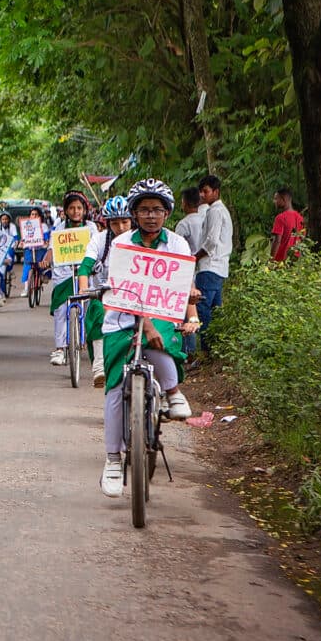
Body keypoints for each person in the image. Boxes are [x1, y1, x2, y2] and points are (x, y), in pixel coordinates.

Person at [99, 178, 200, 498]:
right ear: (134, 213)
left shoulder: (178, 245)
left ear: (167, 213)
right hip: (121, 319)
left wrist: (192, 312)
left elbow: (184, 282)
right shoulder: (122, 244)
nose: (151, 215)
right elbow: (122, 286)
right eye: (143, 209)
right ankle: (113, 459)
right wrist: (146, 324)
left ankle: (173, 393)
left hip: (161, 315)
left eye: (157, 209)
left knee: (161, 341)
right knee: (115, 387)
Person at [77, 195, 132, 387]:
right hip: (104, 294)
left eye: (125, 221)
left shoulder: (140, 240)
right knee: (99, 313)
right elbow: (84, 268)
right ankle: (100, 367)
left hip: (135, 295)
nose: (121, 227)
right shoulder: (99, 241)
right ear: (108, 224)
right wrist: (84, 289)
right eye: (115, 223)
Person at [42, 190, 98, 366]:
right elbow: (52, 249)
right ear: (66, 210)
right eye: (72, 208)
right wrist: (46, 260)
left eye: (79, 208)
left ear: (84, 210)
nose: (76, 211)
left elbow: (97, 248)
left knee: (90, 308)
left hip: (85, 271)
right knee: (60, 310)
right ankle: (60, 349)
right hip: (64, 273)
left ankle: (92, 346)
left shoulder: (91, 228)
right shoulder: (59, 228)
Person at [193, 174, 233, 355]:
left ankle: (207, 349)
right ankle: (217, 347)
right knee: (216, 310)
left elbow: (211, 241)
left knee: (203, 307)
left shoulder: (215, 211)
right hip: (220, 267)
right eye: (201, 191)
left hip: (209, 265)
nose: (202, 195)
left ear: (216, 192)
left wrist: (196, 256)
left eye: (206, 191)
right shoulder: (221, 210)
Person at [173, 187, 205, 357]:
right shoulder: (205, 219)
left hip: (185, 272)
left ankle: (187, 352)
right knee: (197, 308)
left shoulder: (183, 224)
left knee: (183, 310)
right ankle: (196, 351)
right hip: (204, 269)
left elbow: (175, 253)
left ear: (184, 203)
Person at [19, 207, 50, 298]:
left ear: (40, 216)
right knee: (27, 266)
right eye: (32, 214)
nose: (34, 216)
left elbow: (46, 237)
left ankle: (43, 276)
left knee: (42, 264)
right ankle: (26, 288)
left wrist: (46, 242)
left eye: (36, 214)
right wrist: (21, 243)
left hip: (40, 249)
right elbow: (23, 238)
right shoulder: (26, 224)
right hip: (29, 249)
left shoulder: (43, 226)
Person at [270, 187, 304, 262]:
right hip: (296, 261)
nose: (274, 201)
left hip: (281, 261)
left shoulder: (280, 218)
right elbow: (302, 239)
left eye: (276, 199)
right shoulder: (300, 218)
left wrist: (271, 260)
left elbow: (277, 241)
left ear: (284, 199)